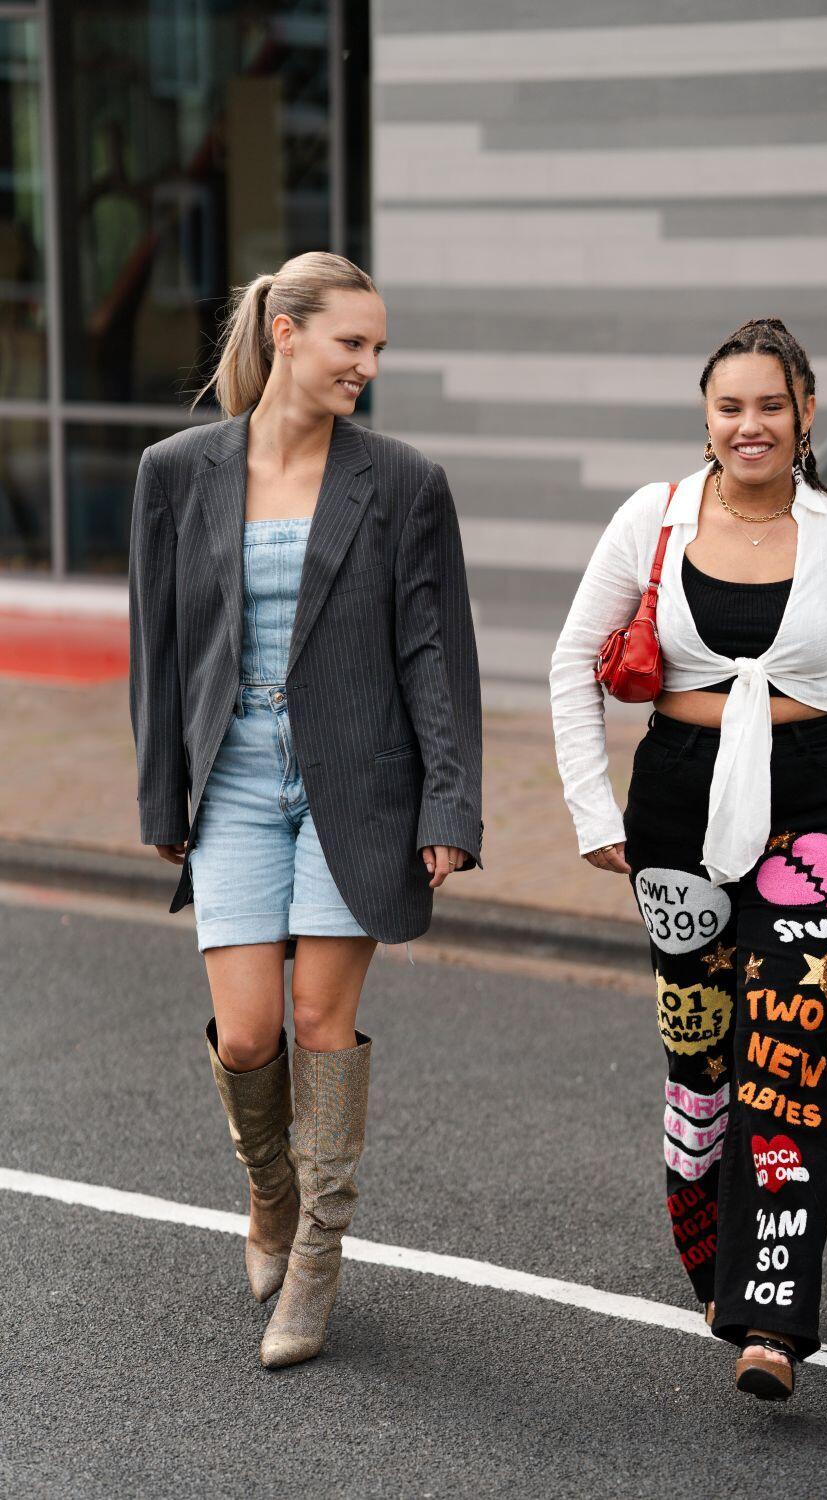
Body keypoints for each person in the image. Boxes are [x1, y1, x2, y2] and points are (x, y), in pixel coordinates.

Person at [549, 317, 827, 1401]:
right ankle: (709, 1244)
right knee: (701, 1060)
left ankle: (771, 1315)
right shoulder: (656, 517)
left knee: (784, 1057)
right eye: (730, 407)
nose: (749, 425)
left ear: (806, 411)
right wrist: (591, 807)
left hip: (815, 802)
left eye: (771, 405)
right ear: (706, 415)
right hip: (677, 804)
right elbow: (571, 659)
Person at [128, 251, 483, 1369]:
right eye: (351, 345)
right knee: (246, 1031)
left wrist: (448, 803)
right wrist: (160, 793)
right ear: (286, 332)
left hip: (358, 784)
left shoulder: (404, 480)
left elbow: (433, 652)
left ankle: (318, 1260)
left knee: (323, 1024)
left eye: (377, 350)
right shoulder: (177, 473)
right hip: (232, 778)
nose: (367, 368)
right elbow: (160, 651)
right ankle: (271, 1193)